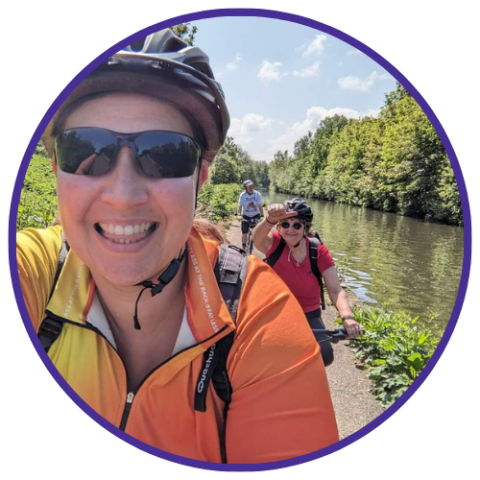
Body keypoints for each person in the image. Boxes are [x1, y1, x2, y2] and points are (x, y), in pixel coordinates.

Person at [16, 30, 339, 463]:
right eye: (85, 149)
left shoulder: (259, 321)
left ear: (200, 177)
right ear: (55, 166)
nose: (124, 194)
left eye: (164, 154)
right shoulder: (31, 269)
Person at [252, 198, 363, 366]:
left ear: (305, 229)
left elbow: (335, 290)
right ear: (279, 227)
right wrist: (269, 220)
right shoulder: (273, 243)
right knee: (264, 355)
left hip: (308, 312)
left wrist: (348, 318)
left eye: (297, 225)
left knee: (325, 356)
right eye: (285, 225)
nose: (290, 230)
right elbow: (257, 239)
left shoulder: (317, 251)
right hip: (275, 310)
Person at [237, 179, 264, 250]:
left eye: (252, 186)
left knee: (257, 231)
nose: (251, 188)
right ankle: (243, 247)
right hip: (245, 215)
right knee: (244, 232)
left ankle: (257, 243)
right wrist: (239, 215)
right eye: (249, 187)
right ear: (245, 188)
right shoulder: (243, 195)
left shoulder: (257, 194)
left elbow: (260, 206)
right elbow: (240, 206)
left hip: (256, 215)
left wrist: (262, 215)